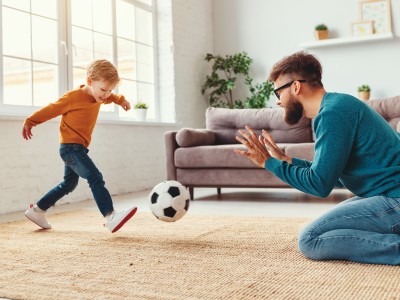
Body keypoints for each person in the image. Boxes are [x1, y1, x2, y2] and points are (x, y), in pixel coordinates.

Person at [235, 51, 400, 265]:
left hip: (394, 198)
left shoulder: (333, 113)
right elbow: (333, 176)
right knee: (333, 228)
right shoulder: (336, 106)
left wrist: (268, 162)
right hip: (387, 194)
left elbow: (319, 184)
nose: (278, 102)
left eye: (278, 93)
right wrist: (286, 160)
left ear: (295, 87)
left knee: (310, 239)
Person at [22, 59, 137, 233]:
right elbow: (52, 109)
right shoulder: (73, 97)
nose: (106, 95)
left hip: (78, 148)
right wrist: (31, 121)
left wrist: (121, 100)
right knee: (95, 177)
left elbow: (111, 97)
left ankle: (37, 210)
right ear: (90, 81)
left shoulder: (98, 95)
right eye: (104, 90)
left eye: (110, 90)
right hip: (71, 148)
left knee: (68, 185)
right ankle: (109, 215)